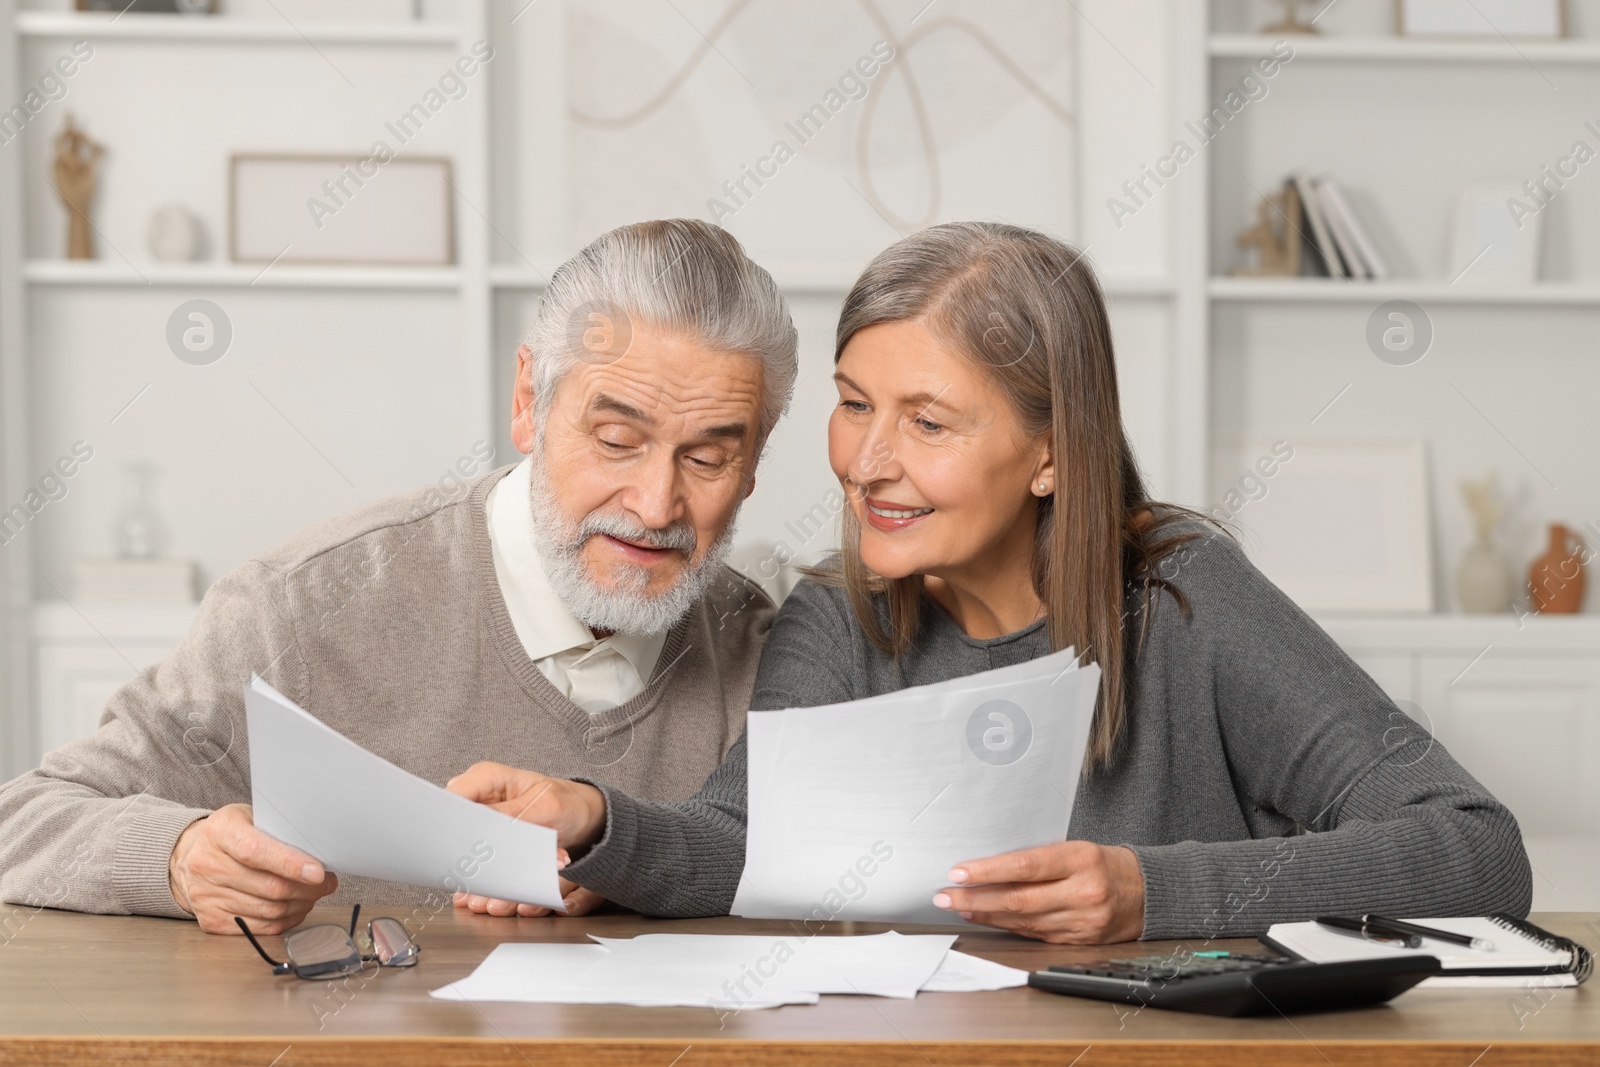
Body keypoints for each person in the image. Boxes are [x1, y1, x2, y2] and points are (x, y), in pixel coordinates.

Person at [446, 221, 1533, 944]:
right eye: (853, 402)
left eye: (927, 422)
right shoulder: (838, 616)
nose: (868, 460)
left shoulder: (1183, 600)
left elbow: (1474, 848)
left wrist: (1153, 891)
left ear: (1053, 453)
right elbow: (743, 840)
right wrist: (593, 821)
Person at [0, 219, 795, 935]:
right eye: (618, 438)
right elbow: (24, 822)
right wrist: (179, 858)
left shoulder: (768, 652)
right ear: (528, 401)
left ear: (753, 466)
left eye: (708, 456)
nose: (656, 505)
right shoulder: (299, 608)